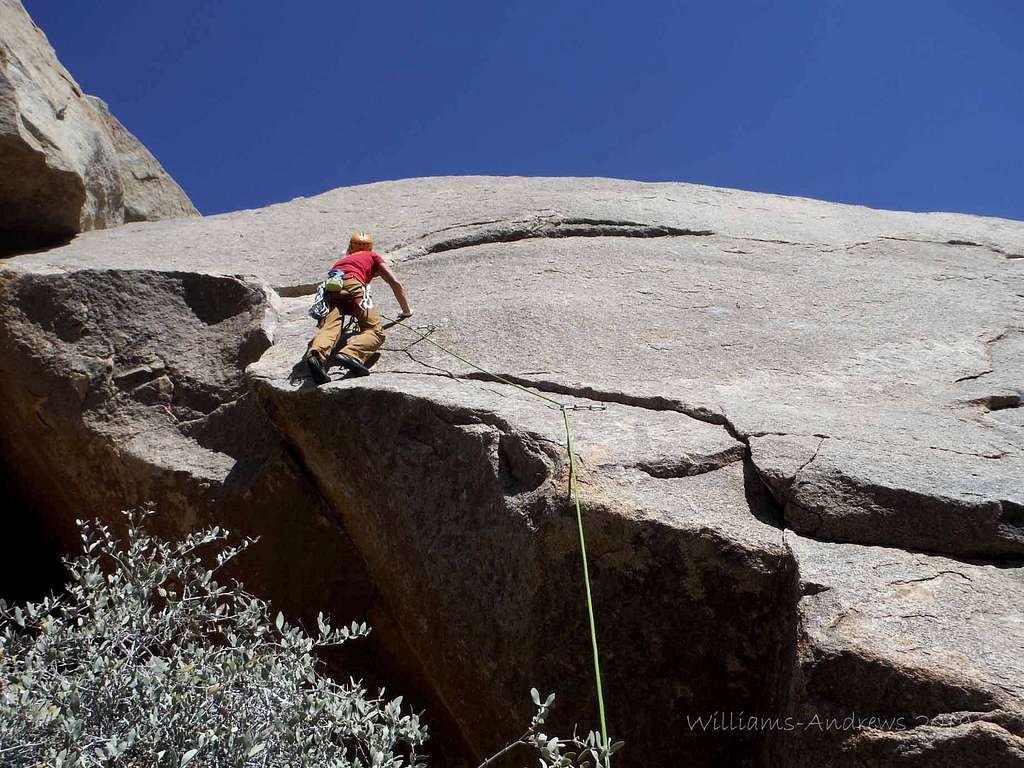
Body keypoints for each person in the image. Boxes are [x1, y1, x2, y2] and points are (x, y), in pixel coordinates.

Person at [305, 231, 412, 384]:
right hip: (354, 286)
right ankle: (350, 354)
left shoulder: (342, 261)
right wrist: (406, 311)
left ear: (351, 246)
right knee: (374, 331)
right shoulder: (372, 256)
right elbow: (395, 282)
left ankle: (316, 356)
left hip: (332, 290)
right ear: (370, 247)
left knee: (329, 327)